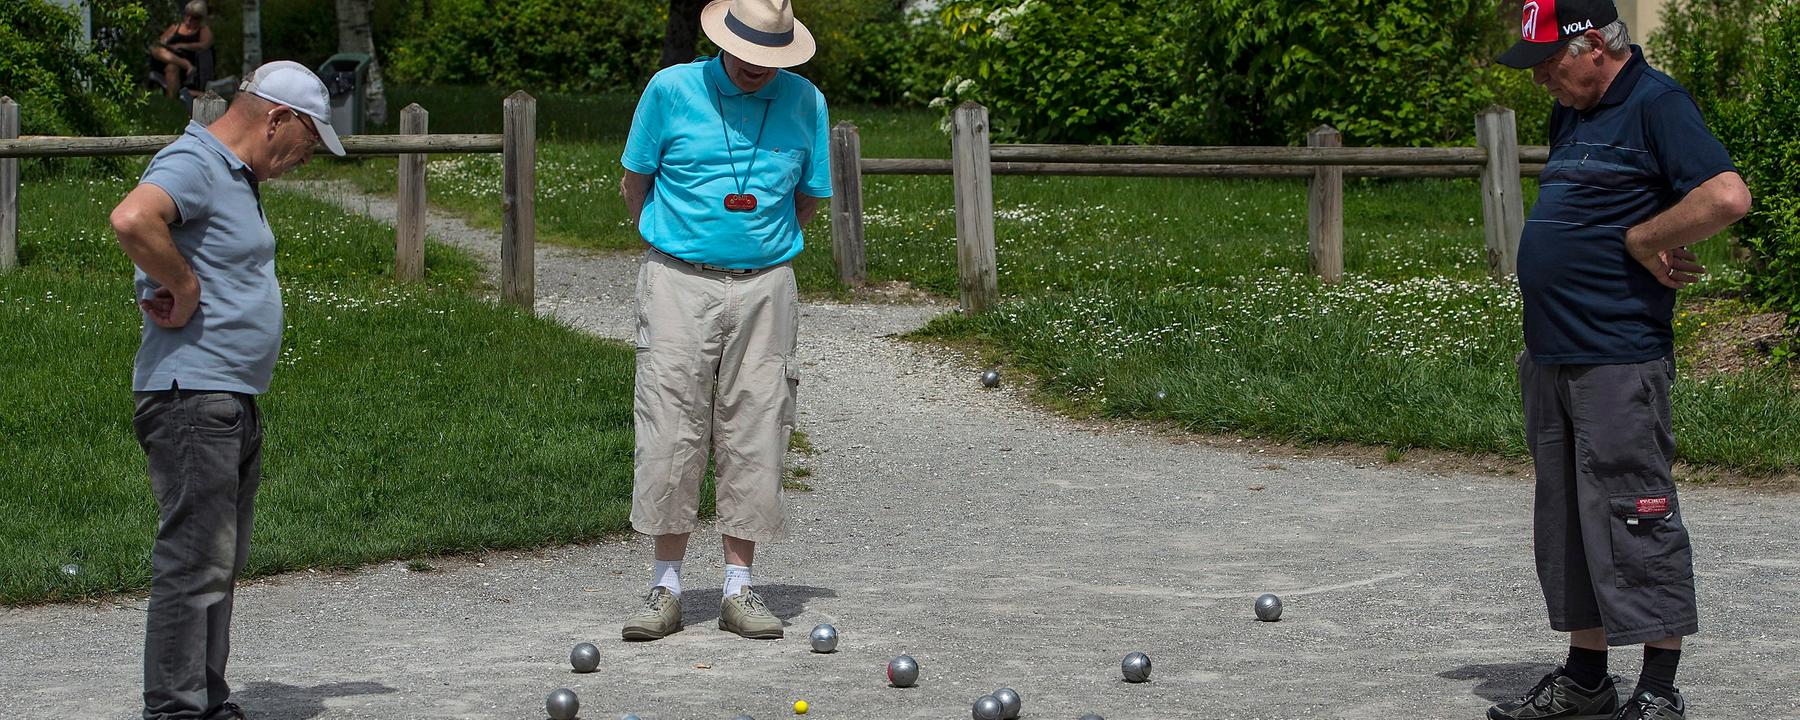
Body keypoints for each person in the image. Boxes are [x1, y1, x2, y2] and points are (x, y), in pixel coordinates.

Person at [1488, 2, 1751, 719]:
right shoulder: (1573, 110)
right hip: (1553, 351)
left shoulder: (1656, 103)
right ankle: (1585, 680)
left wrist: (1646, 239)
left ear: (1593, 44)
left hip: (1617, 354)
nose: (1541, 76)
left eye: (1550, 60)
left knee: (1636, 513)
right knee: (1570, 520)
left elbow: (1727, 195)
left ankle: (1659, 691)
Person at [110, 60, 345, 720]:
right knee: (194, 561)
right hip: (192, 395)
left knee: (216, 562)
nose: (307, 158)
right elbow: (133, 219)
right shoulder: (195, 160)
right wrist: (184, 288)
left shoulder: (232, 177)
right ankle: (178, 710)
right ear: (277, 118)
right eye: (309, 141)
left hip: (225, 395)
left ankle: (206, 701)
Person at [615, 0, 830, 641]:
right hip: (678, 279)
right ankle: (665, 586)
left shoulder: (805, 101)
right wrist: (675, 243)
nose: (760, 68)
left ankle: (740, 587)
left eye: (773, 57)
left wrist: (756, 253)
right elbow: (636, 181)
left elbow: (808, 198)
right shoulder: (670, 89)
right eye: (750, 55)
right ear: (722, 43)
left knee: (760, 423)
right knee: (670, 423)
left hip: (767, 286)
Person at [151, 1, 214, 99]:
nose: (189, 20)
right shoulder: (176, 27)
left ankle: (171, 100)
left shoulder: (203, 30)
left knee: (172, 67)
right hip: (168, 58)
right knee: (155, 49)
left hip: (188, 66)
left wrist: (183, 46)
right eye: (187, 15)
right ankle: (185, 64)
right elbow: (160, 42)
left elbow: (205, 45)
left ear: (200, 18)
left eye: (194, 18)